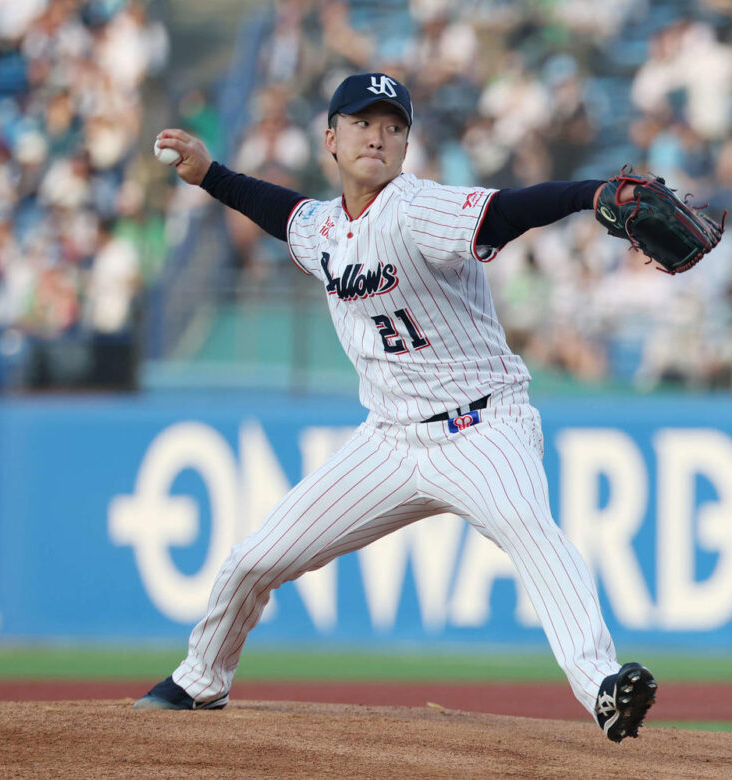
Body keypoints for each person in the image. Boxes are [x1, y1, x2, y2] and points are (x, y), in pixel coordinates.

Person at [135, 72, 658, 743]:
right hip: (387, 441)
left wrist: (590, 195)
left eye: (393, 126)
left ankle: (602, 688)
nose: (377, 135)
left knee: (530, 527)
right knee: (254, 559)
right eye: (361, 122)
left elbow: (507, 210)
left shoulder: (417, 209)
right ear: (331, 138)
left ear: (407, 144)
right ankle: (200, 680)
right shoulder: (325, 227)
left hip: (482, 427)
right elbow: (281, 213)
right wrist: (211, 175)